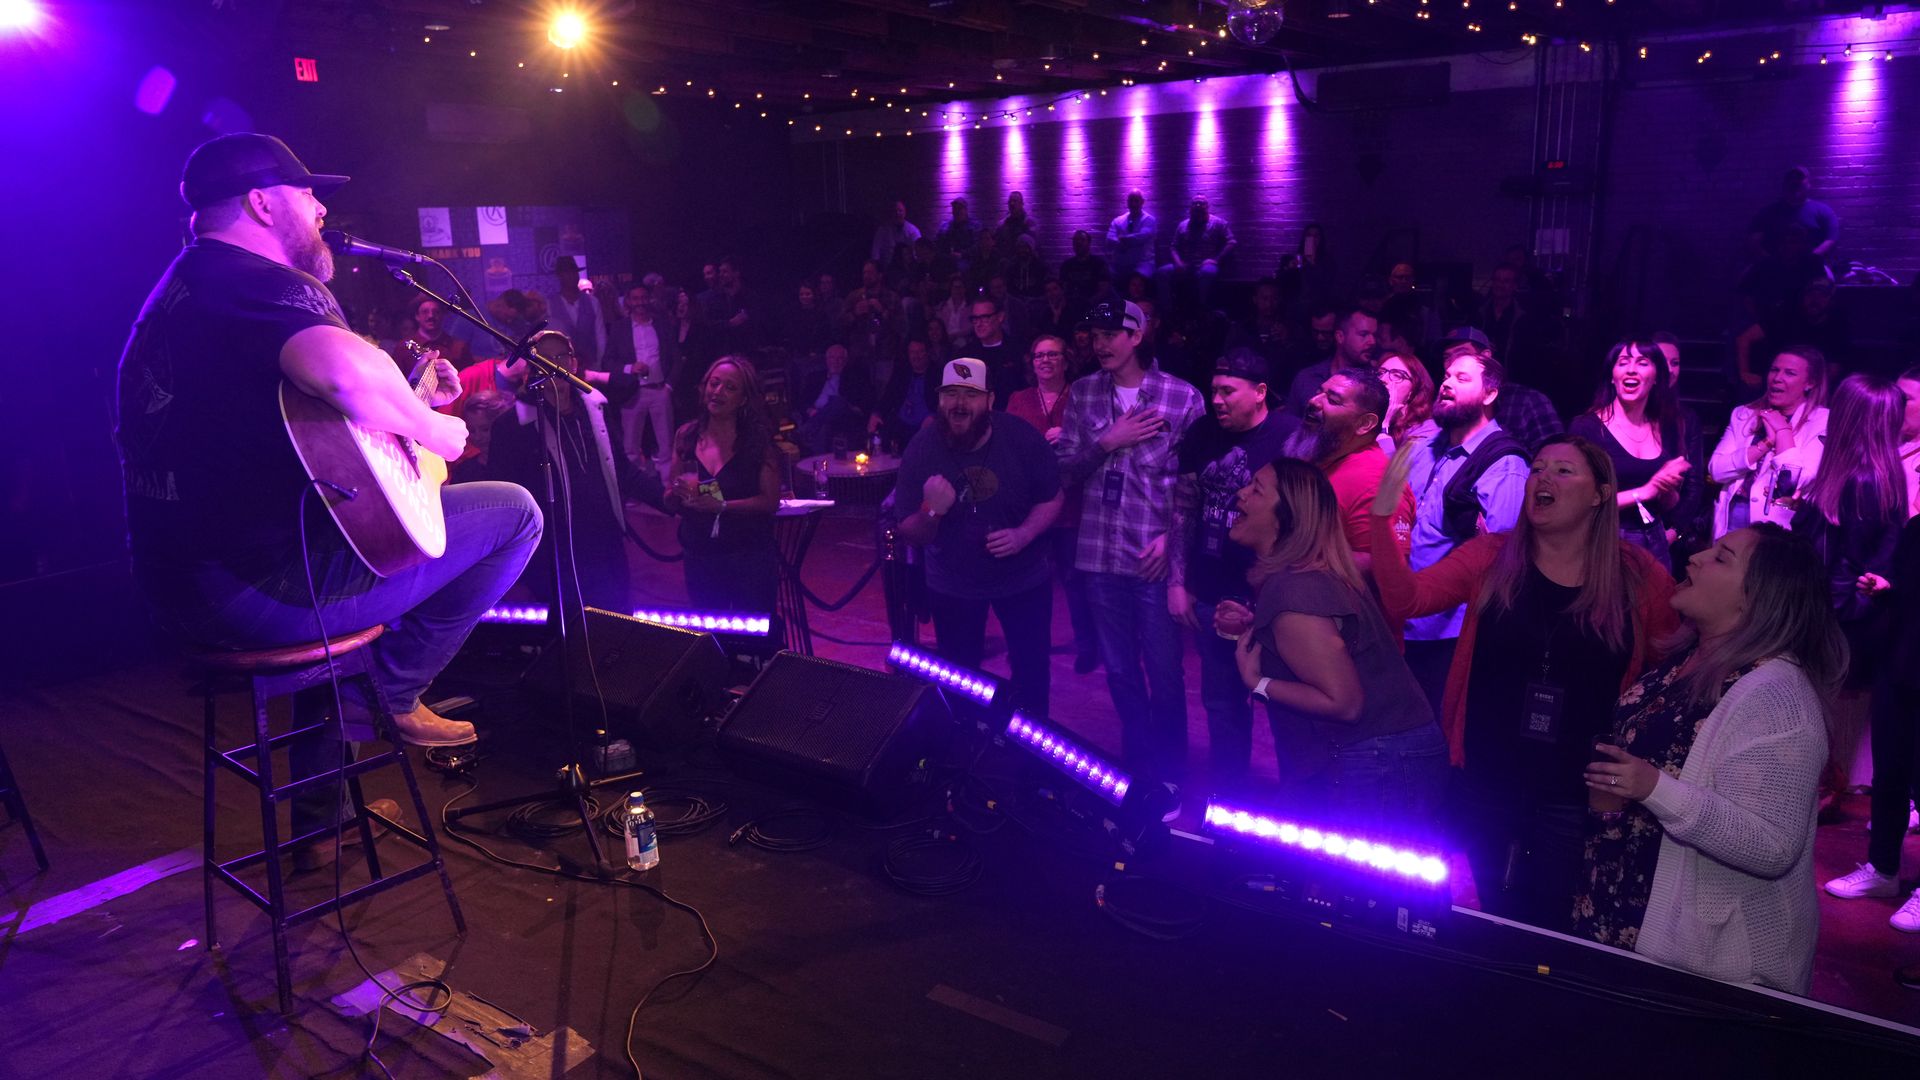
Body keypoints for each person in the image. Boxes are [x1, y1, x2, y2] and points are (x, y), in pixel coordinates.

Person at [116, 133, 541, 858]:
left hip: (182, 591)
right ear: (260, 202)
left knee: (332, 545)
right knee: (513, 513)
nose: (319, 208)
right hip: (254, 595)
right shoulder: (258, 282)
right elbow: (343, 378)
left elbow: (310, 429)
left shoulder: (185, 290)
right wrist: (436, 431)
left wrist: (404, 401)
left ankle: (321, 827)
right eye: (307, 193)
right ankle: (397, 692)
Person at [1371, 435, 1679, 928]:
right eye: (1538, 468)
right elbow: (1408, 600)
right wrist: (1383, 523)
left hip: (1577, 784)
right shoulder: (1492, 556)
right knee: (1491, 906)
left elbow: (1674, 663)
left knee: (1553, 918)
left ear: (1601, 494)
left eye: (1563, 470)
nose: (1543, 478)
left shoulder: (1635, 574)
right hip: (1489, 770)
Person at [1579, 524, 1843, 994]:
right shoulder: (1686, 662)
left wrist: (1652, 787)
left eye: (1722, 557)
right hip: (1628, 910)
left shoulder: (1779, 695)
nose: (1696, 558)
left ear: (1757, 598)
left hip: (1712, 963)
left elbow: (1772, 846)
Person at [1228, 460, 1446, 835]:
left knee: (1373, 888)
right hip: (1387, 752)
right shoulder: (1306, 578)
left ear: (1287, 517)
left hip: (1383, 756)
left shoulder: (1295, 591)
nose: (1240, 494)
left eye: (1256, 489)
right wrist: (1258, 628)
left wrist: (1257, 682)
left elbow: (1343, 703)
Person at [1056, 299, 1205, 798]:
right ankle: (1137, 767)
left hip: (1152, 555)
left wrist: (1172, 537)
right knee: (1119, 671)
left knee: (1164, 671)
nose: (1099, 342)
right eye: (1093, 334)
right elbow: (1064, 470)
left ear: (1137, 335)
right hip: (1098, 554)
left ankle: (1171, 773)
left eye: (1111, 333)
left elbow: (1195, 486)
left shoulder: (1181, 397)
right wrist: (1108, 440)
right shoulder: (1081, 394)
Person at [896, 358, 1064, 719]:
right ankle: (964, 754)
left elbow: (1053, 496)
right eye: (951, 394)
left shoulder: (1021, 437)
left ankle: (1028, 760)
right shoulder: (923, 448)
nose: (959, 404)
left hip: (1023, 579)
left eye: (970, 395)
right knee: (958, 680)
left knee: (1032, 677)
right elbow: (909, 531)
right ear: (939, 400)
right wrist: (930, 511)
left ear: (989, 401)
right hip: (953, 585)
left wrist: (1023, 534)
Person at [1168, 349, 1300, 792]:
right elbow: (1184, 508)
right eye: (1213, 391)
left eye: (1228, 391)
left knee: (1286, 705)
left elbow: (1304, 523)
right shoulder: (1203, 432)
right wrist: (1178, 581)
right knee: (1222, 702)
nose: (1217, 400)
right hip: (1212, 593)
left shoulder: (1291, 437)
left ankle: (1297, 807)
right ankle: (1228, 798)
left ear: (1260, 392)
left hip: (1272, 600)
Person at [451, 330, 632, 613]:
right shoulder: (513, 426)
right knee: (567, 632)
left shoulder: (597, 407)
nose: (555, 365)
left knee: (618, 626)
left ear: (574, 363)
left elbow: (621, 469)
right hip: (556, 553)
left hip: (605, 544)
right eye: (545, 359)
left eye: (562, 356)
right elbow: (510, 498)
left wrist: (666, 499)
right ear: (532, 369)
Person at [1398, 345, 1533, 718]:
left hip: (1446, 631)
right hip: (1399, 616)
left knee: (1431, 730)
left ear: (1490, 395)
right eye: (1445, 376)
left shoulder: (1504, 463)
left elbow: (1499, 559)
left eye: (1462, 378)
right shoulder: (1424, 447)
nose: (1446, 384)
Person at [1006, 336, 1099, 675]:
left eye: (1052, 355)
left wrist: (1071, 435)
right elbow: (1008, 443)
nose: (1044, 360)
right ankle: (1030, 648)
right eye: (1039, 355)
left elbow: (1101, 441)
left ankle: (1088, 646)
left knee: (1075, 581)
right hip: (1031, 504)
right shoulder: (1019, 399)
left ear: (1065, 360)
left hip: (1071, 503)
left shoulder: (1081, 396)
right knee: (1031, 581)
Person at [666, 356, 781, 618]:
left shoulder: (757, 440)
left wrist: (724, 506)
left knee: (751, 637)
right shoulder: (686, 435)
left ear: (743, 399)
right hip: (700, 555)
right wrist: (677, 494)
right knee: (711, 637)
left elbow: (770, 501)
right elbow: (670, 494)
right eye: (714, 384)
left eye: (729, 387)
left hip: (748, 555)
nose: (717, 392)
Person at [1569, 341, 1694, 569]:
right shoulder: (1586, 428)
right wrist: (1645, 491)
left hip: (1653, 541)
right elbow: (1578, 501)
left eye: (1642, 362)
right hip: (1604, 541)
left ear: (1656, 377)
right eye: (1623, 362)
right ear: (1612, 376)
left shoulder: (1668, 426)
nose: (1631, 369)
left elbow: (1669, 503)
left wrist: (1668, 490)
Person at [1288, 368, 1415, 559]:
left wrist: (1297, 562)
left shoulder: (1376, 484)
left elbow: (1385, 564)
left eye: (1333, 400)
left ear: (1365, 424)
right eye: (1318, 392)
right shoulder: (1322, 456)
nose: (1313, 401)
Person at [1708, 346, 1830, 538]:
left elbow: (1794, 481)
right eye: (1774, 370)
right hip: (1729, 523)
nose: (1777, 378)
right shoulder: (1743, 413)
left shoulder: (1821, 420)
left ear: (1810, 383)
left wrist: (1782, 432)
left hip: (1776, 531)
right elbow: (1716, 470)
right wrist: (1766, 443)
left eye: (1789, 373)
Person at [603, 281, 677, 483]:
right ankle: (638, 489)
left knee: (666, 443)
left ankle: (667, 487)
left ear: (649, 299)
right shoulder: (620, 328)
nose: (640, 302)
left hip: (660, 390)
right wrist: (629, 368)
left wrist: (669, 386)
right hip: (632, 392)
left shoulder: (662, 324)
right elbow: (607, 361)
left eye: (643, 298)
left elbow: (676, 357)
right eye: (635, 298)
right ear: (628, 301)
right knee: (631, 446)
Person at [1286, 307, 1377, 418]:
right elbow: (1291, 427)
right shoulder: (1308, 378)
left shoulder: (1376, 382)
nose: (1372, 342)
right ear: (1340, 336)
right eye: (1363, 334)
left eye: (1375, 335)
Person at [1157, 195, 1235, 314]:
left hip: (1206, 264)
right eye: (1195, 210)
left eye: (1201, 209)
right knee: (1162, 273)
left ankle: (1202, 312)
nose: (1198, 212)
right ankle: (1167, 312)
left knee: (1207, 273)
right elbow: (1173, 246)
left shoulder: (1218, 223)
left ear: (1207, 208)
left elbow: (1231, 242)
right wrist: (1178, 262)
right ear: (1190, 210)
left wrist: (1216, 259)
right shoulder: (1183, 225)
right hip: (1185, 264)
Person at [796, 343, 875, 455]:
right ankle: (821, 463)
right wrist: (810, 411)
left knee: (837, 401)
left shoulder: (854, 377)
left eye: (840, 358)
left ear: (845, 361)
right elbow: (802, 401)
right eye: (832, 357)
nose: (835, 361)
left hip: (844, 414)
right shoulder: (814, 377)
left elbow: (864, 402)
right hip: (818, 414)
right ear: (827, 359)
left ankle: (805, 430)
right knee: (823, 427)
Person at [1748, 166, 1840, 261]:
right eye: (1791, 179)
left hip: (1812, 267)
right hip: (1775, 269)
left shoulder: (1823, 210)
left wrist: (1811, 259)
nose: (1795, 183)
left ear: (1809, 184)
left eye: (1799, 179)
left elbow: (1831, 239)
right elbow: (1754, 241)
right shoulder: (1767, 212)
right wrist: (1771, 262)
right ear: (1784, 185)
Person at [869, 338, 940, 451]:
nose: (916, 356)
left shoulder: (937, 373)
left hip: (926, 423)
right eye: (912, 352)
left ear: (927, 353)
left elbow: (944, 402)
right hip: (902, 421)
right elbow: (888, 395)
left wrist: (934, 416)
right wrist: (877, 413)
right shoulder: (902, 372)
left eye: (920, 351)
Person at [961, 294, 1026, 410]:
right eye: (975, 319)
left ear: (1000, 317)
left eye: (985, 318)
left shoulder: (1018, 351)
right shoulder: (965, 355)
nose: (979, 324)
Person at [545, 256, 604, 371]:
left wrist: (599, 365)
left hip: (591, 366)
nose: (572, 276)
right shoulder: (549, 304)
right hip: (562, 368)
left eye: (574, 272)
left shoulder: (592, 302)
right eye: (567, 273)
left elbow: (600, 336)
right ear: (560, 276)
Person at [1377, 350, 1434, 453]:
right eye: (1380, 373)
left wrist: (1383, 427)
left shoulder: (1426, 430)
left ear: (1413, 391)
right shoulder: (1367, 419)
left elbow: (1394, 469)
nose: (1383, 379)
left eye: (1397, 375)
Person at [1106, 189, 1158, 282]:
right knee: (1105, 276)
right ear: (1127, 202)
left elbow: (1142, 236)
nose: (1133, 204)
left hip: (1142, 265)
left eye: (1136, 200)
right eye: (1131, 200)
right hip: (1120, 266)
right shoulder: (1118, 221)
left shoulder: (1149, 220)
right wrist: (1123, 242)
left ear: (1142, 202)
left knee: (1135, 279)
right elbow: (1109, 239)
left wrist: (1122, 240)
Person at [1058, 230, 1112, 311]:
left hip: (1093, 307)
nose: (1078, 243)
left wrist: (1088, 303)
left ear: (1089, 243)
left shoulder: (1098, 264)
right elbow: (1062, 289)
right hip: (1071, 308)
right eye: (1075, 240)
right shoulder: (1067, 265)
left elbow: (1104, 290)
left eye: (1082, 240)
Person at [871, 199, 922, 275]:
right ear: (891, 213)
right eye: (895, 211)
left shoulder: (913, 230)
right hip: (886, 270)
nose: (897, 213)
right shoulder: (883, 230)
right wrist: (876, 270)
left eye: (900, 211)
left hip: (907, 271)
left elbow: (918, 251)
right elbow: (875, 252)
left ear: (905, 213)